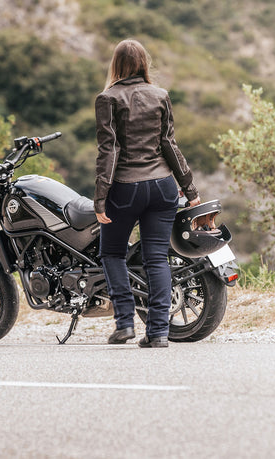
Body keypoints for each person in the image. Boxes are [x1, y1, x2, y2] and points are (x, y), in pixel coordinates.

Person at [94, 39, 200, 348]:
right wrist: (190, 188)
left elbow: (108, 151)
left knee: (112, 253)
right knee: (157, 259)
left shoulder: (108, 98)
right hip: (163, 188)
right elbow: (169, 144)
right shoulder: (160, 95)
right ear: (143, 63)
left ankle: (125, 323)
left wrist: (100, 197)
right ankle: (158, 333)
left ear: (116, 65)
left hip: (125, 189)